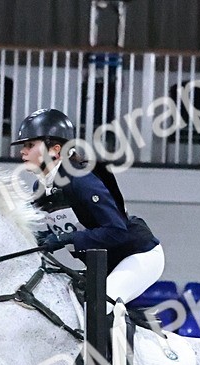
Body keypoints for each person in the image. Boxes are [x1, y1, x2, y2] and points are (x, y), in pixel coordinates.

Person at [12, 108, 164, 304]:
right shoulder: (41, 187)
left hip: (138, 255)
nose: (22, 151)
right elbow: (68, 226)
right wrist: (41, 239)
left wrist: (65, 238)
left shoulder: (80, 180)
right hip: (104, 264)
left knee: (101, 305)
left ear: (55, 150)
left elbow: (117, 230)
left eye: (30, 145)